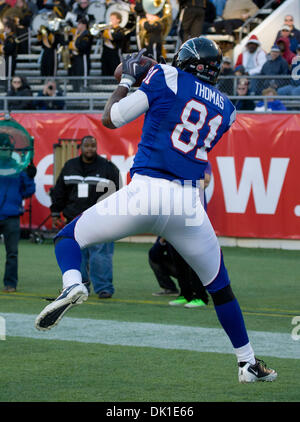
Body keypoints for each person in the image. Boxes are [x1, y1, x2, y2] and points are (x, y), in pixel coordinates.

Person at [35, 36, 277, 383]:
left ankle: (72, 284)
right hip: (189, 204)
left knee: (68, 237)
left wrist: (126, 80)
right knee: (220, 287)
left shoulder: (168, 75)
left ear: (187, 61)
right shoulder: (228, 109)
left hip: (147, 191)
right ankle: (247, 362)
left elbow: (111, 118)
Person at [49, 135, 121, 299]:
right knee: (76, 255)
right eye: (87, 146)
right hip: (75, 219)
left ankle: (104, 288)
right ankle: (81, 286)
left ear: (97, 148)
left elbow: (117, 194)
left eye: (93, 146)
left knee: (100, 255)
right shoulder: (70, 166)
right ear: (80, 148)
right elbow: (59, 191)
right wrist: (55, 212)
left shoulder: (107, 168)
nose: (90, 149)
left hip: (101, 219)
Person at [0, 133, 36, 293]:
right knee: (12, 253)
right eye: (1, 147)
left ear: (11, 150)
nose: (4, 150)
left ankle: (10, 284)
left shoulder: (18, 168)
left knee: (12, 253)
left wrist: (30, 177)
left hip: (12, 217)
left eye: (6, 147)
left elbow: (28, 192)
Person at [68, 16, 93, 92]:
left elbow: (83, 46)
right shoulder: (78, 34)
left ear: (84, 25)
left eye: (79, 23)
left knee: (82, 76)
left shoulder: (87, 34)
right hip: (75, 58)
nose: (77, 25)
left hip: (83, 58)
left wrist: (72, 46)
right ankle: (76, 90)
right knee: (75, 76)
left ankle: (83, 91)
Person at [100, 12, 126, 76]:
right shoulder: (108, 29)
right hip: (106, 52)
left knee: (115, 69)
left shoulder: (121, 29)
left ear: (118, 20)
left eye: (113, 19)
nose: (111, 20)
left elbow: (115, 37)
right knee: (105, 70)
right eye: (110, 18)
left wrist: (107, 30)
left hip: (115, 53)